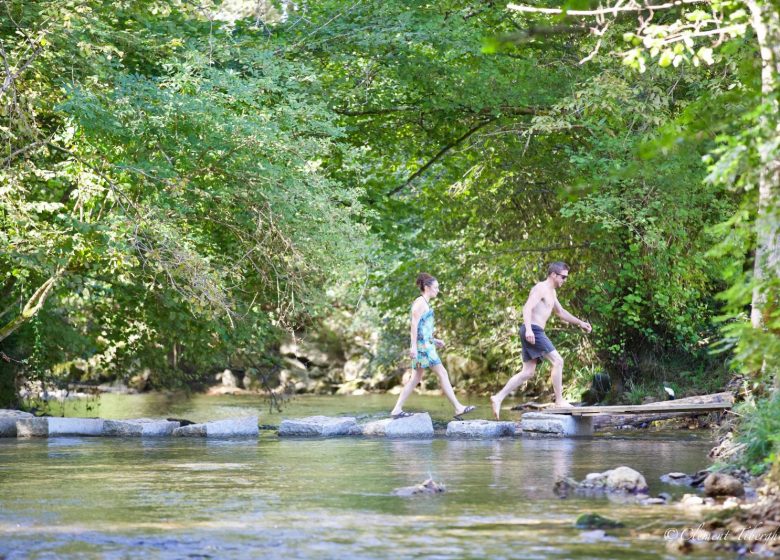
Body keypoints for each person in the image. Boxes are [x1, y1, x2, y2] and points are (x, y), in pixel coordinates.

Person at [490, 262, 592, 419]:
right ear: (553, 275)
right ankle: (559, 401)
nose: (564, 280)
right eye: (563, 277)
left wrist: (580, 323)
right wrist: (530, 329)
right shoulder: (541, 288)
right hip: (533, 330)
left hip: (533, 331)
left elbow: (560, 312)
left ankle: (497, 398)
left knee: (527, 372)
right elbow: (527, 308)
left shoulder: (552, 292)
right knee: (558, 361)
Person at [390, 273, 476, 420]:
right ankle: (458, 407)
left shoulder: (425, 302)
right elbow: (414, 325)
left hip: (426, 344)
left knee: (415, 378)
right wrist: (413, 347)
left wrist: (434, 340)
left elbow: (423, 328)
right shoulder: (420, 303)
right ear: (427, 287)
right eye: (436, 287)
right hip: (423, 348)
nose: (438, 290)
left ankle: (397, 409)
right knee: (441, 373)